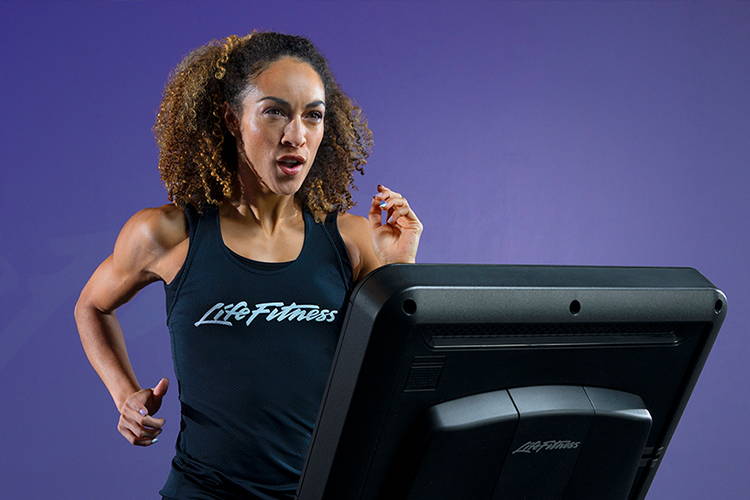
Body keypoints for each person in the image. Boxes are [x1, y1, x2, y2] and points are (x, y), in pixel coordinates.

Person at [73, 31, 423, 499]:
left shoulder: (353, 241)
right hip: (203, 490)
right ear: (232, 119)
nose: (295, 134)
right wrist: (124, 395)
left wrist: (399, 274)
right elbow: (92, 307)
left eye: (313, 116)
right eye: (275, 111)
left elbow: (394, 386)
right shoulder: (166, 235)